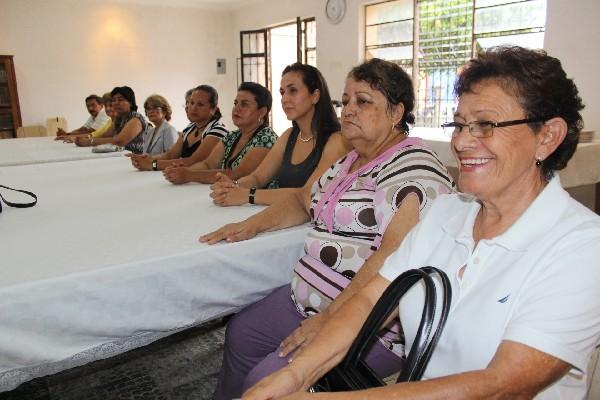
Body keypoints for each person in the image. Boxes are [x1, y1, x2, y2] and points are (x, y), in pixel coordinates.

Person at [243, 46, 600, 400]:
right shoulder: (446, 213)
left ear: (548, 136)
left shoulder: (582, 247)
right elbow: (370, 301)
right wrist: (297, 373)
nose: (461, 141)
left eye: (485, 125)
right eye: (459, 125)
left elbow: (504, 385)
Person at [201, 58, 454, 400]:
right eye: (345, 101)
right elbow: (301, 201)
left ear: (396, 113)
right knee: (240, 333)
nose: (348, 109)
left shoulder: (414, 170)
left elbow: (393, 260)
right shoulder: (349, 159)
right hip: (304, 300)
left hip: (368, 326)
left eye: (363, 101)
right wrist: (248, 226)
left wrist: (330, 320)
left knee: (266, 383)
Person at [209, 63, 349, 206]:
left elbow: (308, 193)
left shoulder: (336, 141)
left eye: (292, 91)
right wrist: (233, 186)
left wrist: (248, 195)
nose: (284, 99)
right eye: (282, 92)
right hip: (282, 217)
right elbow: (257, 178)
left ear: (315, 96)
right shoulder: (289, 136)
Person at [163, 82, 277, 185]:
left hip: (256, 203)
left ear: (262, 112)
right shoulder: (232, 136)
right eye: (235, 103)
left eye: (244, 104)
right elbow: (208, 164)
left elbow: (238, 174)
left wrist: (189, 175)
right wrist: (183, 170)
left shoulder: (267, 138)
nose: (236, 109)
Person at [129, 85, 228, 171]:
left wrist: (153, 164)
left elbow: (194, 161)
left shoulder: (218, 130)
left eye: (200, 104)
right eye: (191, 103)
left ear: (213, 109)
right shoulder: (190, 128)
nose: (193, 108)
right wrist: (148, 158)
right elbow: (170, 155)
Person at [75, 86, 147, 154]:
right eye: (114, 100)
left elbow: (119, 141)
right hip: (120, 155)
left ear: (130, 103)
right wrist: (84, 139)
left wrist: (88, 142)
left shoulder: (136, 118)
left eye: (120, 99)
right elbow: (105, 136)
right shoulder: (119, 118)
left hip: (138, 159)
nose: (116, 103)